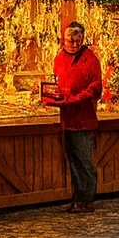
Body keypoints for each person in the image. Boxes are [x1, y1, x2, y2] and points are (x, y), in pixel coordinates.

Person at [45, 21, 102, 213]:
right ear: (64, 39)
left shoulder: (90, 59)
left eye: (77, 41)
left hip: (83, 120)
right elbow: (56, 84)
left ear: (82, 40)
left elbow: (95, 89)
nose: (74, 44)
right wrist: (52, 97)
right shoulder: (59, 59)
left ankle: (87, 199)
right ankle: (78, 198)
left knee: (84, 161)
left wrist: (72, 100)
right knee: (73, 162)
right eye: (70, 40)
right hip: (66, 119)